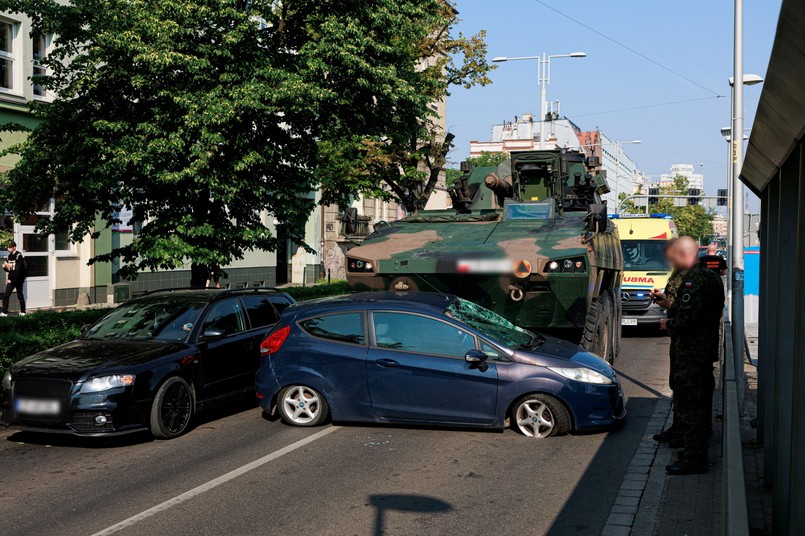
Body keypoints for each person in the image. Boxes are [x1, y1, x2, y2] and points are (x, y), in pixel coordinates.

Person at [659, 236, 725, 475]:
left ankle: (695, 457)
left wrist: (670, 323)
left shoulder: (695, 279)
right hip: (702, 350)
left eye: (674, 256)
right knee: (699, 400)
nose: (672, 261)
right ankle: (693, 451)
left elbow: (688, 317)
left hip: (692, 351)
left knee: (691, 404)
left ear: (684, 255)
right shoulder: (711, 277)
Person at [650, 238, 686, 448]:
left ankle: (687, 436)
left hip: (690, 345)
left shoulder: (692, 277)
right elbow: (675, 303)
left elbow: (688, 312)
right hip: (679, 342)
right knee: (677, 386)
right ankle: (677, 427)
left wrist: (670, 320)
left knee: (686, 390)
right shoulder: (678, 274)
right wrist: (663, 299)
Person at [1, 241, 28, 317]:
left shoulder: (19, 256)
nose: (8, 249)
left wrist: (11, 280)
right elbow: (10, 270)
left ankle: (23, 312)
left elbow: (18, 271)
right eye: (8, 247)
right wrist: (5, 268)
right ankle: (4, 312)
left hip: (18, 280)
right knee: (6, 295)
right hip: (11, 279)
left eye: (10, 247)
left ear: (14, 247)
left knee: (20, 296)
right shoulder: (9, 257)